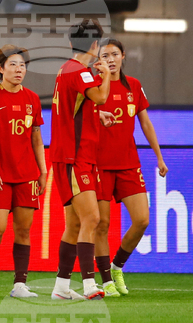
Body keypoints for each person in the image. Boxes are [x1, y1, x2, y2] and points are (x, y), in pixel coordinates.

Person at [94, 38, 168, 296]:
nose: (110, 59)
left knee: (142, 220)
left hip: (128, 163)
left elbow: (145, 123)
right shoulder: (92, 88)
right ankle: (105, 281)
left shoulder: (134, 86)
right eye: (105, 56)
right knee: (101, 224)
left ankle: (117, 266)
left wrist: (159, 157)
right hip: (99, 164)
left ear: (123, 56)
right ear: (98, 61)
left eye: (114, 54)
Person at [48, 20, 113, 299]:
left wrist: (95, 116)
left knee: (74, 224)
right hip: (75, 157)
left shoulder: (66, 69)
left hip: (70, 155)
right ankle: (89, 285)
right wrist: (108, 75)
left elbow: (73, 108)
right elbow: (100, 96)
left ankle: (61, 287)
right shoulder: (82, 72)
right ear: (95, 45)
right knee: (93, 218)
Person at [0, 45, 47, 298]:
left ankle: (19, 284)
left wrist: (43, 171)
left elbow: (37, 139)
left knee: (23, 229)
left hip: (27, 173)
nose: (19, 70)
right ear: (1, 68)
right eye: (13, 65)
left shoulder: (32, 99)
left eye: (22, 65)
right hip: (0, 174)